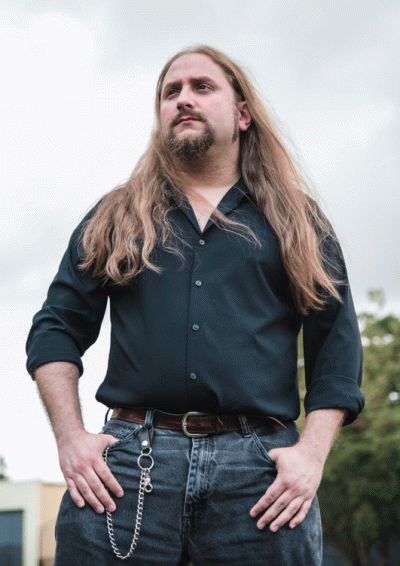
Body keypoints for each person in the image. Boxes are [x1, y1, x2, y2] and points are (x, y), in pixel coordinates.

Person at [26, 45, 364, 566]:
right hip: (124, 471)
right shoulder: (116, 215)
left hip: (260, 473)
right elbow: (55, 329)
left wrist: (311, 456)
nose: (183, 99)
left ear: (243, 115)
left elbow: (337, 350)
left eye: (202, 87)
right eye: (171, 92)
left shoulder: (298, 221)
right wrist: (71, 438)